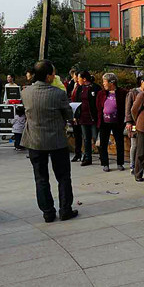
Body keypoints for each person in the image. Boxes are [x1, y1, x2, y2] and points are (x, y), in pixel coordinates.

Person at [21, 60, 77, 223]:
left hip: (35, 140)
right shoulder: (58, 94)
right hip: (56, 140)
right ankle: (65, 210)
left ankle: (48, 213)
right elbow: (68, 115)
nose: (54, 76)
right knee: (63, 176)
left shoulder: (25, 92)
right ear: (47, 76)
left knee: (40, 178)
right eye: (53, 73)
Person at [96, 73, 128, 172]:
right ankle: (105, 163)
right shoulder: (101, 93)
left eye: (104, 81)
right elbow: (98, 107)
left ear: (111, 82)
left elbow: (126, 106)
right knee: (103, 143)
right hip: (104, 121)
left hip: (117, 122)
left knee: (119, 142)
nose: (103, 83)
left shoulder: (122, 93)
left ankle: (120, 163)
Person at [72, 71, 101, 165]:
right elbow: (76, 102)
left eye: (79, 78)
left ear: (84, 79)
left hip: (93, 117)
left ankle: (102, 155)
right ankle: (88, 157)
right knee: (86, 138)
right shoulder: (80, 88)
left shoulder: (95, 88)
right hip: (83, 117)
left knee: (95, 137)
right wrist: (76, 116)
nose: (77, 80)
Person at [126, 74, 144, 174]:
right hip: (134, 122)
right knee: (135, 145)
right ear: (142, 82)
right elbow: (129, 108)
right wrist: (129, 121)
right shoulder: (133, 93)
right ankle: (132, 165)